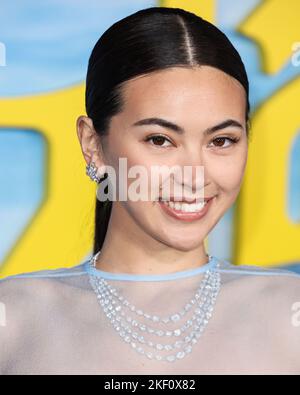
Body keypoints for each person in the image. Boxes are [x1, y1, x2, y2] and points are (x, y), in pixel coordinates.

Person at [0, 6, 300, 375]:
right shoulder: (13, 318)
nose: (194, 176)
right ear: (93, 143)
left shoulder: (289, 311)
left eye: (221, 141)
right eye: (160, 140)